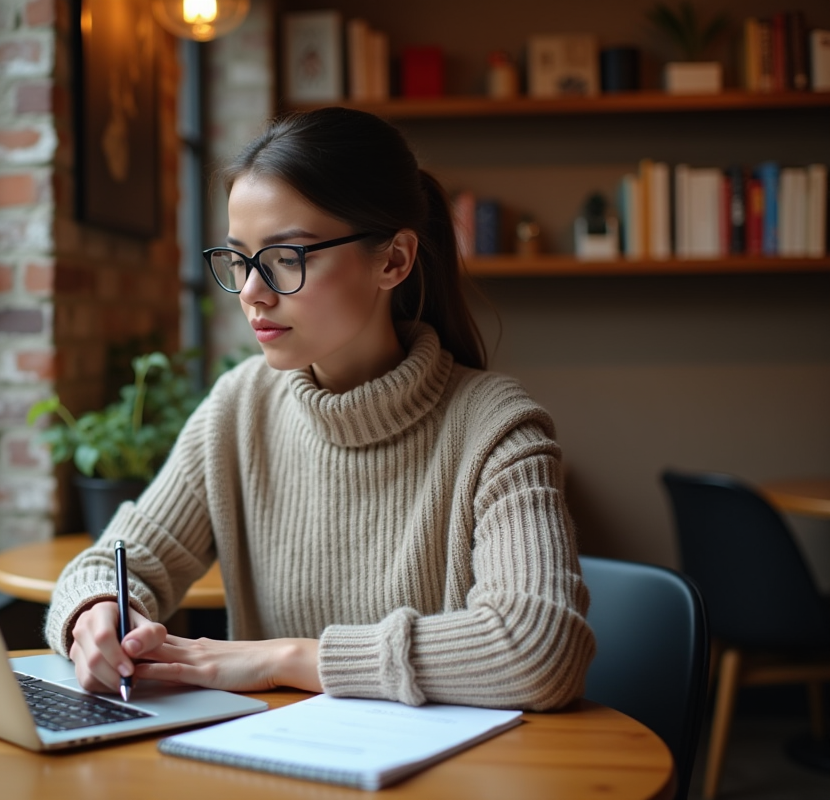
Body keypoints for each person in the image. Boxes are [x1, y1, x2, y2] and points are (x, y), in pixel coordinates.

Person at [45, 106, 595, 711]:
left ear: (393, 261)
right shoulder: (240, 406)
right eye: (238, 259)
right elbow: (118, 563)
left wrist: (283, 659)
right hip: (268, 767)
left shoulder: (495, 428)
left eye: (287, 257)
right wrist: (94, 614)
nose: (252, 291)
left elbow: (540, 646)